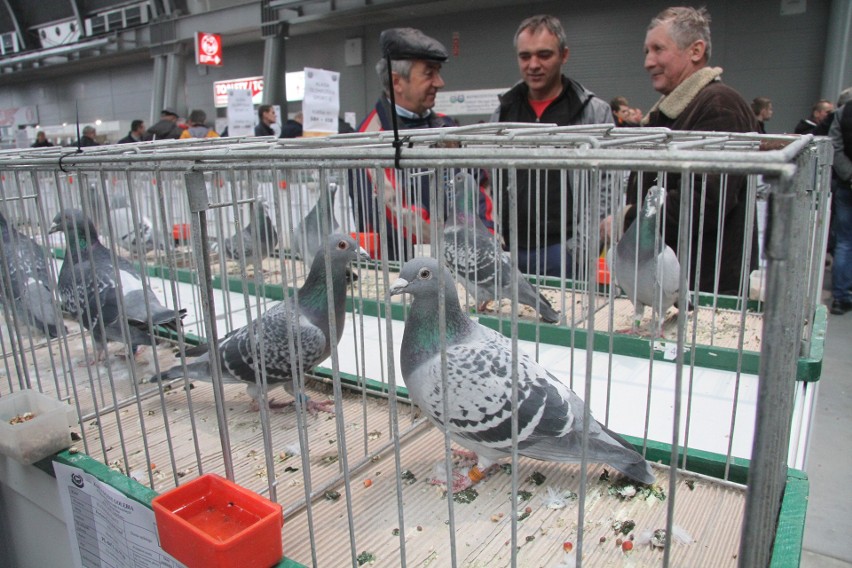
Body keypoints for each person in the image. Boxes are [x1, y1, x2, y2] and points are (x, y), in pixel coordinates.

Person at [607, 6, 760, 295]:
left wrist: (628, 221)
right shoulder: (675, 112)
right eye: (646, 52)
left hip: (703, 285)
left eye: (658, 49)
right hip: (675, 281)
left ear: (695, 51)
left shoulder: (719, 106)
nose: (648, 62)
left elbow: (704, 202)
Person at [348, 27, 493, 261]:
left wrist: (488, 238)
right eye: (429, 73)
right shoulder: (370, 138)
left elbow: (477, 185)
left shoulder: (447, 128)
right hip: (404, 270)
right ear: (397, 82)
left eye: (438, 72)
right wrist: (463, 245)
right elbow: (397, 213)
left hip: (466, 262)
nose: (440, 82)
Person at [492, 14, 613, 277]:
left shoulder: (593, 112)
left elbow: (608, 183)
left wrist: (583, 245)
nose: (533, 65)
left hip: (565, 250)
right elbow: (491, 172)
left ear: (564, 55)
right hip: (512, 248)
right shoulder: (504, 110)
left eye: (544, 55)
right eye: (525, 56)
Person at [827, 87, 852, 314]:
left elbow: (834, 146)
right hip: (847, 184)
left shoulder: (843, 113)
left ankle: (840, 297)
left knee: (844, 242)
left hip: (847, 184)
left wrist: (849, 174)